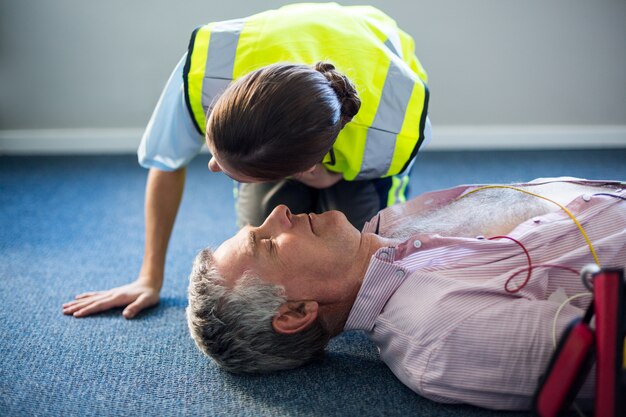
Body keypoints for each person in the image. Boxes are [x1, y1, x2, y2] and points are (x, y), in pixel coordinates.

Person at [62, 3, 431, 319]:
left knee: (356, 249)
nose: (212, 167)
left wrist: (335, 177)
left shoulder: (391, 129)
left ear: (304, 166)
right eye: (217, 158)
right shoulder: (205, 70)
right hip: (284, 128)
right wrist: (149, 277)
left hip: (369, 87)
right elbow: (166, 161)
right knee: (264, 258)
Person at [186, 177, 626, 410]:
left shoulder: (386, 228)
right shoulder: (439, 337)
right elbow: (607, 370)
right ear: (296, 311)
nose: (277, 213)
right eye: (265, 243)